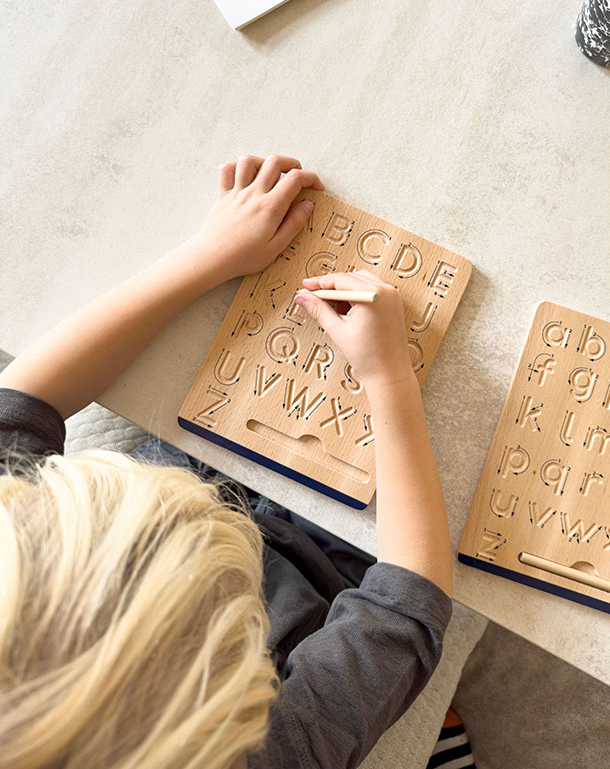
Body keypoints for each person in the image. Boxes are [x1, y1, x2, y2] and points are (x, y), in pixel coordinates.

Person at [0, 153, 456, 769]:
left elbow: (20, 401)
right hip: (334, 559)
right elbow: (406, 609)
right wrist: (388, 377)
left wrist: (208, 255)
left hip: (187, 460)